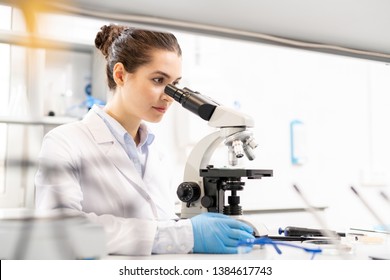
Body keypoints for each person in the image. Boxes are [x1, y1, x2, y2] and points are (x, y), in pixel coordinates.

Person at [34, 24, 254, 256]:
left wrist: (186, 230)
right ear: (120, 75)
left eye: (175, 84)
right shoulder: (65, 142)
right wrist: (186, 235)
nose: (169, 97)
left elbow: (158, 224)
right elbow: (59, 228)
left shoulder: (156, 150)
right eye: (158, 80)